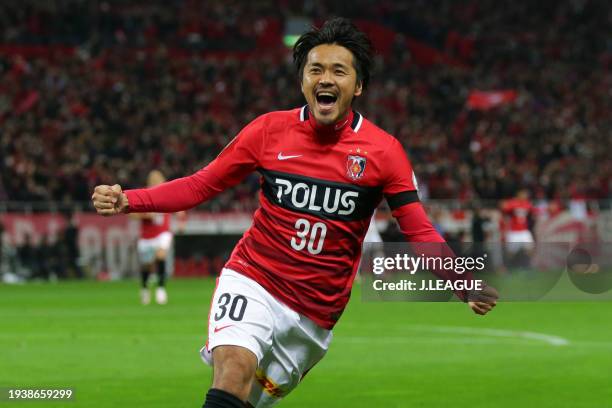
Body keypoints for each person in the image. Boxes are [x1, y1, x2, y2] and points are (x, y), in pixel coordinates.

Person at [92, 18, 498, 408]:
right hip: (254, 279)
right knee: (232, 372)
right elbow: (202, 184)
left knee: (244, 400)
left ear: (358, 86)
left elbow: (418, 228)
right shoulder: (268, 131)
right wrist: (131, 200)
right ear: (303, 80)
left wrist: (460, 281)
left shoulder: (383, 152)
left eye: (339, 71)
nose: (325, 78)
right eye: (314, 69)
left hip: (314, 315)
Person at [132, 170, 184, 305]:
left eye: (158, 179)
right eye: (153, 179)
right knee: (147, 265)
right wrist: (145, 215)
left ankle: (161, 288)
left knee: (161, 255)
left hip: (163, 233)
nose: (156, 181)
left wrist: (181, 220)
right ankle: (145, 288)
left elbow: (181, 205)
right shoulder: (143, 195)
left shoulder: (167, 193)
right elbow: (131, 213)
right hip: (147, 236)